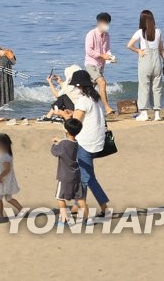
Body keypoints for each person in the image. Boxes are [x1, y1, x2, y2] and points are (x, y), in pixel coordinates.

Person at [61, 69, 110, 217]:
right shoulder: (95, 98)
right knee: (83, 174)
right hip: (97, 141)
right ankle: (77, 206)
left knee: (87, 177)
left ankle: (105, 208)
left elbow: (74, 125)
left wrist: (63, 115)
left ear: (79, 86)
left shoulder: (82, 101)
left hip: (86, 143)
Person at [126, 9, 164, 121]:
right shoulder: (158, 31)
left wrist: (138, 50)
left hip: (145, 61)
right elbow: (161, 49)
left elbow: (129, 45)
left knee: (144, 87)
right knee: (157, 88)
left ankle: (144, 113)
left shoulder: (140, 32)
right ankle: (157, 114)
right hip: (157, 61)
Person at [51, 118, 87, 224]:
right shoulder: (75, 143)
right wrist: (60, 141)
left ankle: (64, 218)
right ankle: (88, 218)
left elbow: (55, 152)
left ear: (66, 130)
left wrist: (54, 143)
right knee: (80, 198)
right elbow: (67, 142)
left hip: (65, 176)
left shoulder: (63, 144)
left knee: (60, 198)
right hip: (76, 175)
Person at [84, 13, 116, 116]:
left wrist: (111, 58)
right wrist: (102, 55)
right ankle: (107, 108)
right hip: (91, 64)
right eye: (105, 23)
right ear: (99, 23)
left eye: (108, 23)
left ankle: (87, 108)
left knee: (89, 88)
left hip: (101, 65)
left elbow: (107, 50)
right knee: (102, 83)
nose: (106, 25)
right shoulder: (91, 34)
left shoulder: (107, 35)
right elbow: (89, 51)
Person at [0, 133, 22, 217]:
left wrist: (0, 176)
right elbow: (4, 168)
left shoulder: (5, 156)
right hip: (6, 180)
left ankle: (0, 215)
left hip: (4, 181)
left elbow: (7, 169)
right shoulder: (5, 155)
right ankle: (21, 210)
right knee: (8, 198)